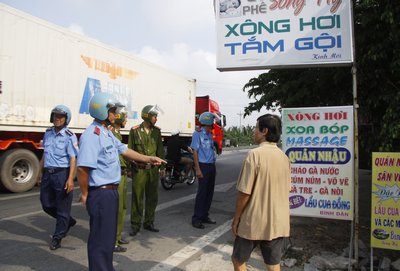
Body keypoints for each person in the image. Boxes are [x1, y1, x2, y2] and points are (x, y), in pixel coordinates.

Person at [77, 93, 165, 271]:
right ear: (102, 111)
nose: (115, 114)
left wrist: (149, 158)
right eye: (111, 111)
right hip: (100, 193)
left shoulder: (106, 133)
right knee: (100, 240)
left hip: (110, 192)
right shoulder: (92, 135)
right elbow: (82, 169)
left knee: (108, 239)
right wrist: (85, 194)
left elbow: (125, 150)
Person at [231, 114, 291, 271]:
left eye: (256, 128)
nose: (253, 131)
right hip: (277, 221)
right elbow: (286, 190)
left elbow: (244, 192)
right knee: (272, 263)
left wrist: (237, 218)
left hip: (253, 221)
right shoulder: (284, 157)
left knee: (238, 260)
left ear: (264, 131)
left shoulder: (254, 155)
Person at [38, 105, 78, 250]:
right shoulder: (47, 133)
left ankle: (58, 237)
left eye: (60, 116)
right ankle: (68, 221)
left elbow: (73, 158)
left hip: (62, 174)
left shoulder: (69, 136)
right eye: (55, 116)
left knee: (62, 208)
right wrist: (39, 172)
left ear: (66, 119)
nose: (57, 119)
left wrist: (70, 179)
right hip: (48, 174)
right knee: (46, 204)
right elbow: (45, 154)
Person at [128, 105, 165, 236]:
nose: (156, 119)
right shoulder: (135, 131)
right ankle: (135, 224)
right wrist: (129, 169)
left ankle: (149, 222)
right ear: (147, 117)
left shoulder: (156, 132)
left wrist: (162, 167)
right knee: (137, 197)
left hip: (153, 170)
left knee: (152, 197)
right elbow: (129, 151)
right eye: (155, 116)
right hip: (139, 170)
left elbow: (160, 150)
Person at [191, 112, 217, 229]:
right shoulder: (197, 134)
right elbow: (195, 151)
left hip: (211, 166)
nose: (213, 124)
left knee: (209, 193)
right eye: (212, 121)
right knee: (202, 193)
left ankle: (205, 215)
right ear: (208, 122)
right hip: (203, 166)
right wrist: (197, 169)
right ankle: (196, 219)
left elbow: (211, 151)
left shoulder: (210, 135)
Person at [109, 108, 129, 253]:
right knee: (116, 209)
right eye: (125, 118)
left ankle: (118, 235)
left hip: (123, 173)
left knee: (122, 208)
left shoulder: (117, 133)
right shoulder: (111, 133)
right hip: (116, 175)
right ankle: (113, 240)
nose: (126, 121)